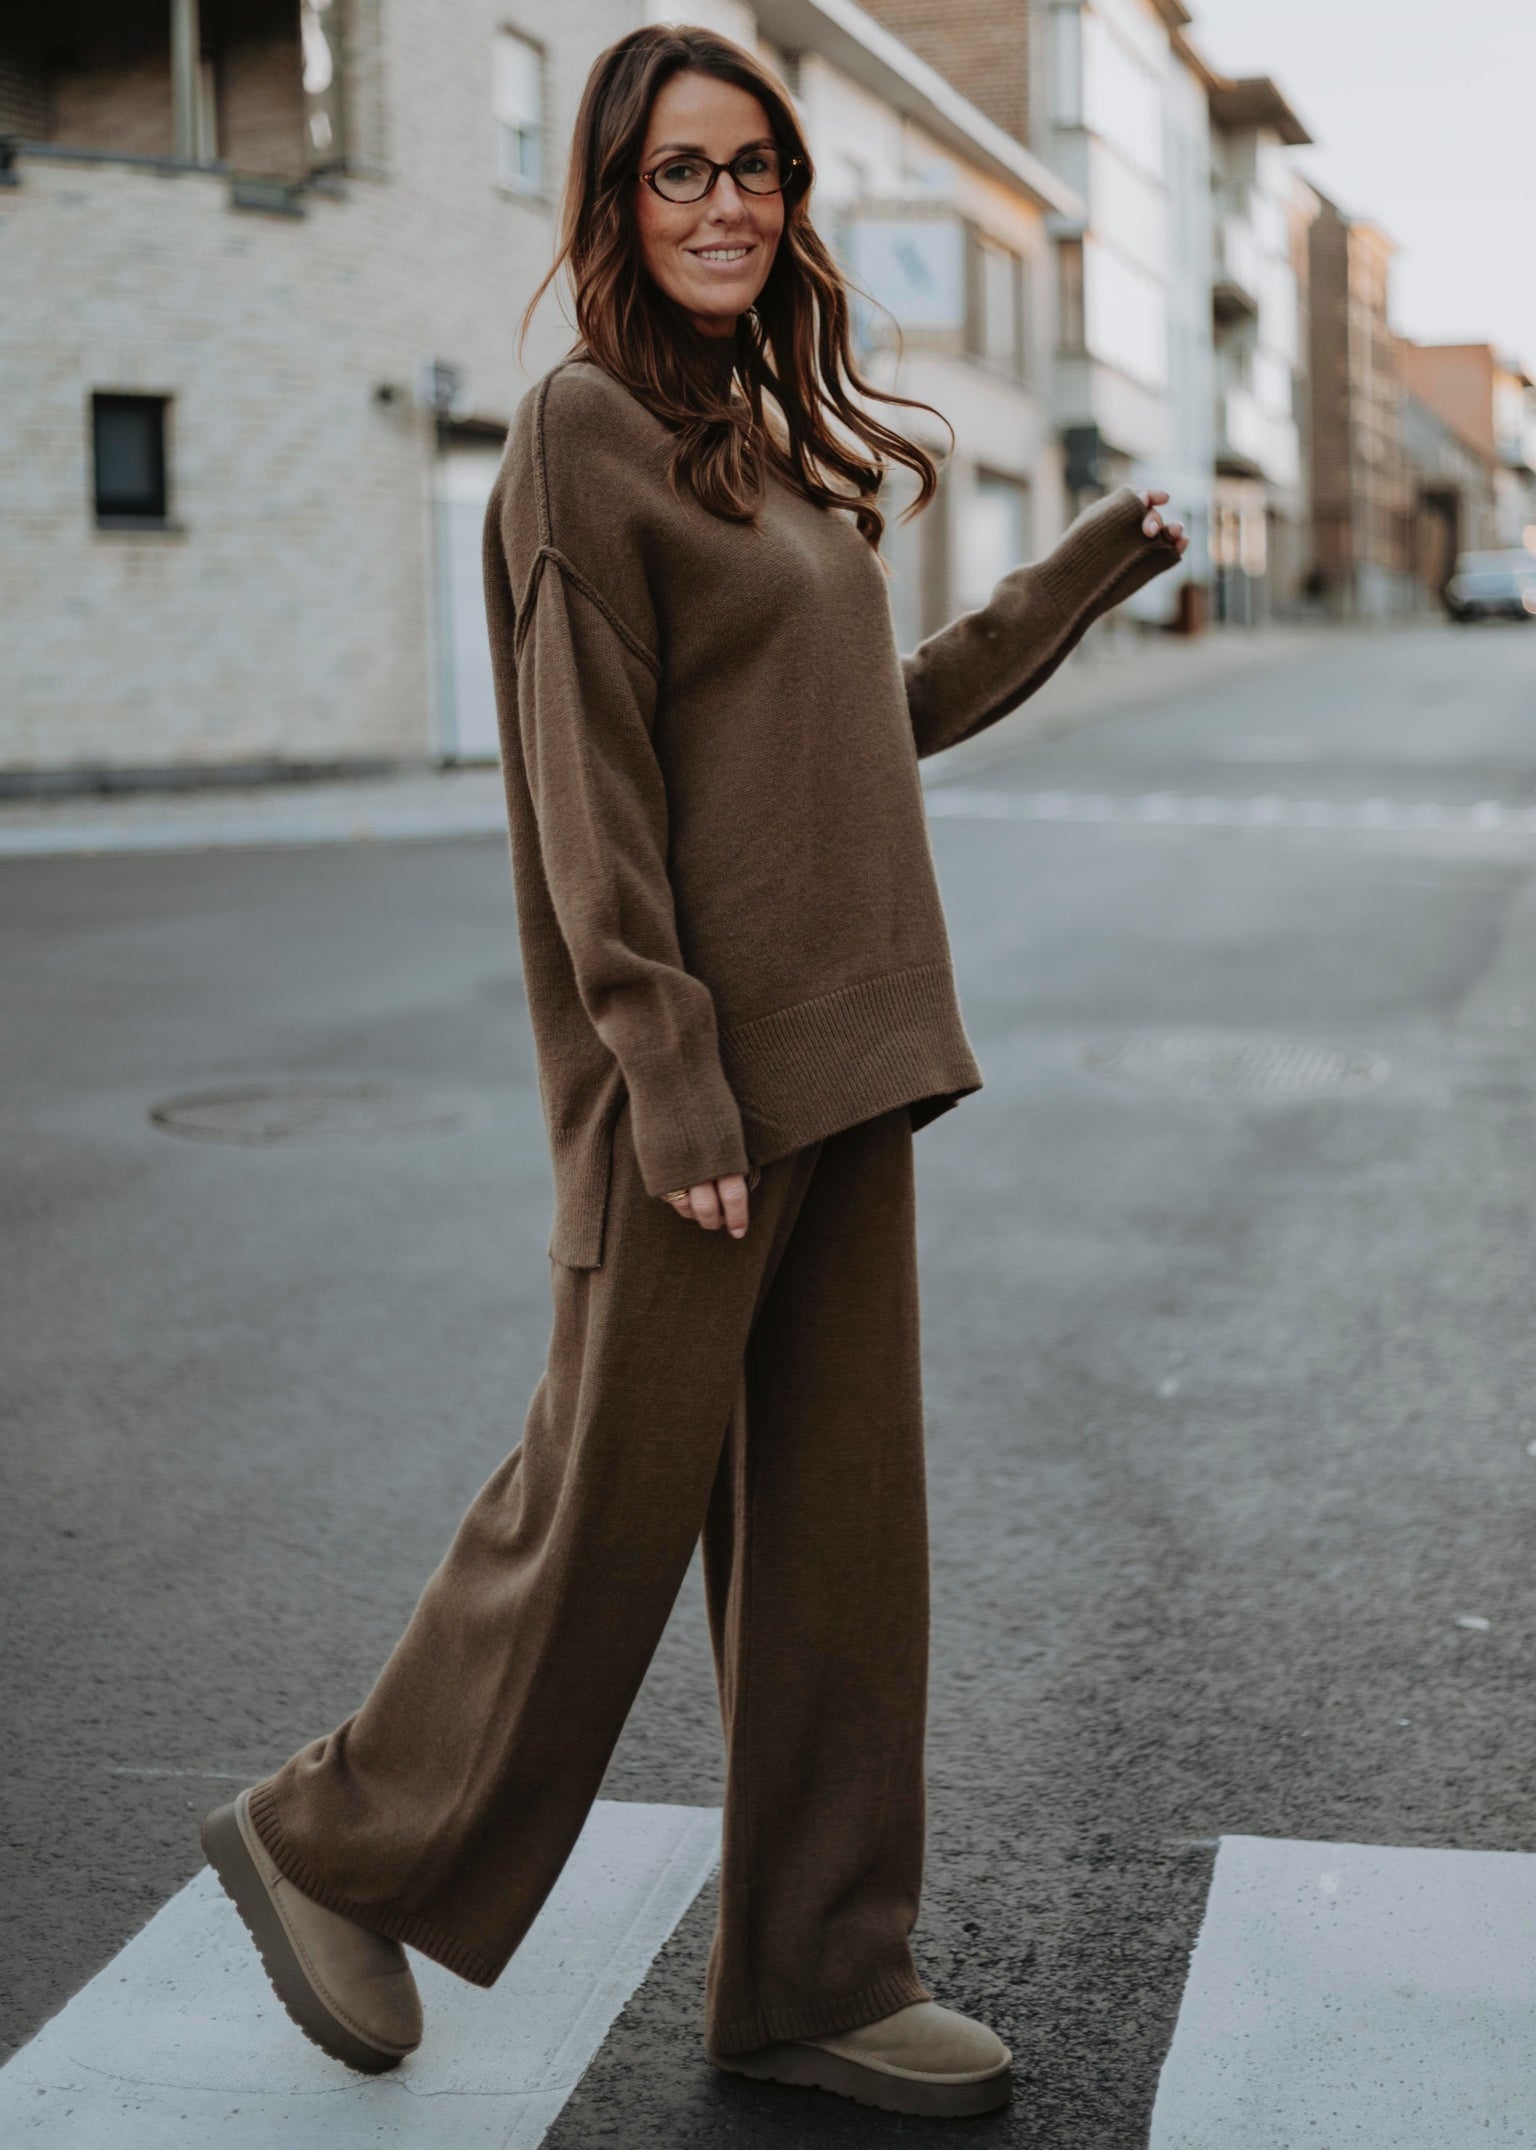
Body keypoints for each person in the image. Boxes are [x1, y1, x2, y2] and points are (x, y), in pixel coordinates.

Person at [200, 22, 1186, 2123]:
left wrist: (1088, 566)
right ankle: (331, 1841)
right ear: (614, 200)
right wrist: (665, 1070)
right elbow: (593, 790)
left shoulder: (759, 441)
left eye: (757, 168)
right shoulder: (580, 433)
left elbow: (867, 719)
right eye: (680, 171)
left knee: (840, 1544)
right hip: (700, 1101)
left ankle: (818, 1970)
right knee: (598, 1513)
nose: (728, 203)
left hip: (844, 1065)